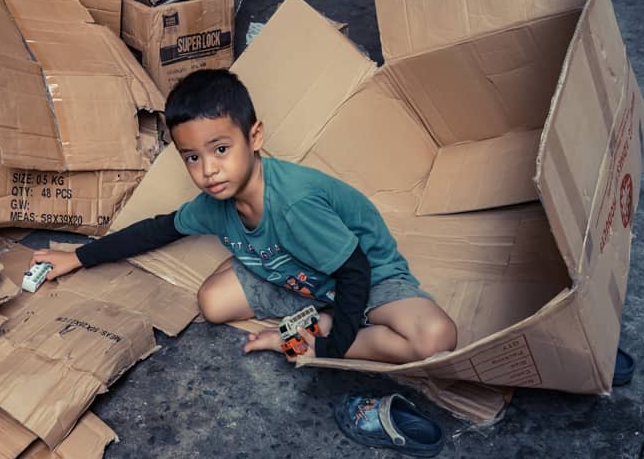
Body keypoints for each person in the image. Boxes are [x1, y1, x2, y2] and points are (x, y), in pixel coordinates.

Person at [30, 69, 457, 363]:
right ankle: (310, 308)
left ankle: (313, 329)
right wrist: (78, 257)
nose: (208, 169)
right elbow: (157, 230)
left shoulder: (292, 203)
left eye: (220, 149)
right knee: (212, 304)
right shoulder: (217, 200)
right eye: (192, 158)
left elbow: (355, 270)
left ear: (254, 136)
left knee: (435, 340)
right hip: (299, 277)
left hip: (365, 277)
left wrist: (321, 348)